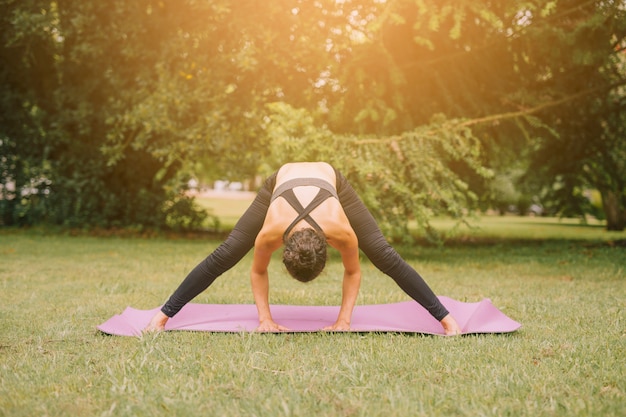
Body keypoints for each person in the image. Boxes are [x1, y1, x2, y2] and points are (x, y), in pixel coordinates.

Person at [146, 162, 461, 334]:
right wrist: (264, 320)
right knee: (227, 252)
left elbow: (354, 271)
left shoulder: (341, 230)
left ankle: (446, 318)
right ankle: (163, 314)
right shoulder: (270, 231)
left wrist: (344, 321)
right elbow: (256, 271)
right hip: (279, 182)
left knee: (384, 254)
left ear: (329, 245)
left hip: (331, 180)